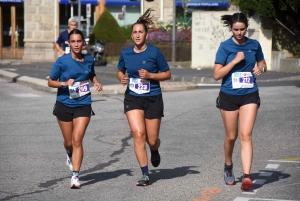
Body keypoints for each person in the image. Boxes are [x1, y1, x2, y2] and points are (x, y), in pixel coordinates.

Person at [116, 8, 171, 186]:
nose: (138, 35)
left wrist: (150, 76)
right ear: (131, 35)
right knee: (139, 134)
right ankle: (145, 173)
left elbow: (167, 74)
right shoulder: (126, 53)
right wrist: (121, 78)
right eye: (135, 32)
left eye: (141, 32)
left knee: (152, 139)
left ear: (146, 35)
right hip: (133, 97)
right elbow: (119, 70)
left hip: (153, 97)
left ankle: (154, 150)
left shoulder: (154, 53)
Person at [213, 12, 267, 191]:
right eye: (235, 29)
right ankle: (228, 165)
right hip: (228, 95)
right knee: (231, 136)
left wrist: (261, 69)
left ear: (246, 27)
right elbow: (216, 75)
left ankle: (246, 176)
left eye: (242, 29)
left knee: (246, 135)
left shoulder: (254, 45)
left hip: (249, 94)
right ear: (231, 29)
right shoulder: (225, 47)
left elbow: (262, 63)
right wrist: (234, 62)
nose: (239, 33)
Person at [48, 29, 103, 189]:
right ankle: (69, 154)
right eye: (73, 41)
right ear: (69, 43)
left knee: (77, 139)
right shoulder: (62, 62)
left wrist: (96, 82)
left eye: (79, 41)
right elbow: (51, 82)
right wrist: (64, 84)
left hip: (84, 104)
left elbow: (91, 74)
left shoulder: (89, 60)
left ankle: (75, 176)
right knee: (69, 142)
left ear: (83, 43)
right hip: (64, 104)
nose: (76, 44)